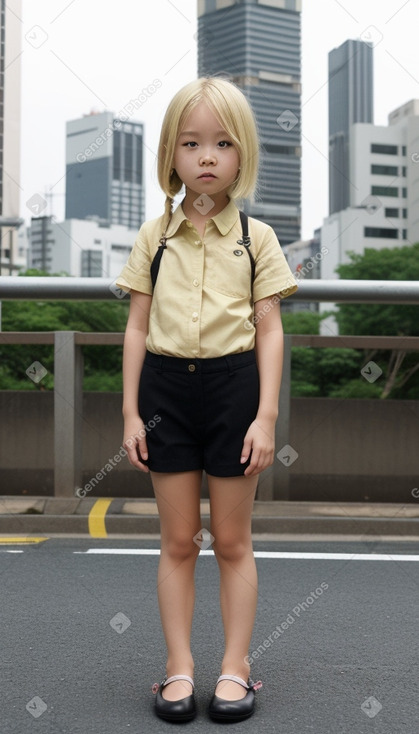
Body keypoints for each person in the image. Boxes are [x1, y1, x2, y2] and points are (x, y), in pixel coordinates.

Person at [115, 76, 298, 723]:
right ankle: (178, 668)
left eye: (222, 143)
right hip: (166, 387)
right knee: (176, 542)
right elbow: (136, 327)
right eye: (191, 143)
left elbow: (271, 329)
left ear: (242, 152)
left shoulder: (256, 238)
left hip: (234, 389)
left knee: (230, 541)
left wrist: (266, 416)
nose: (206, 157)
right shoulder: (153, 237)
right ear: (170, 154)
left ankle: (236, 667)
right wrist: (132, 412)